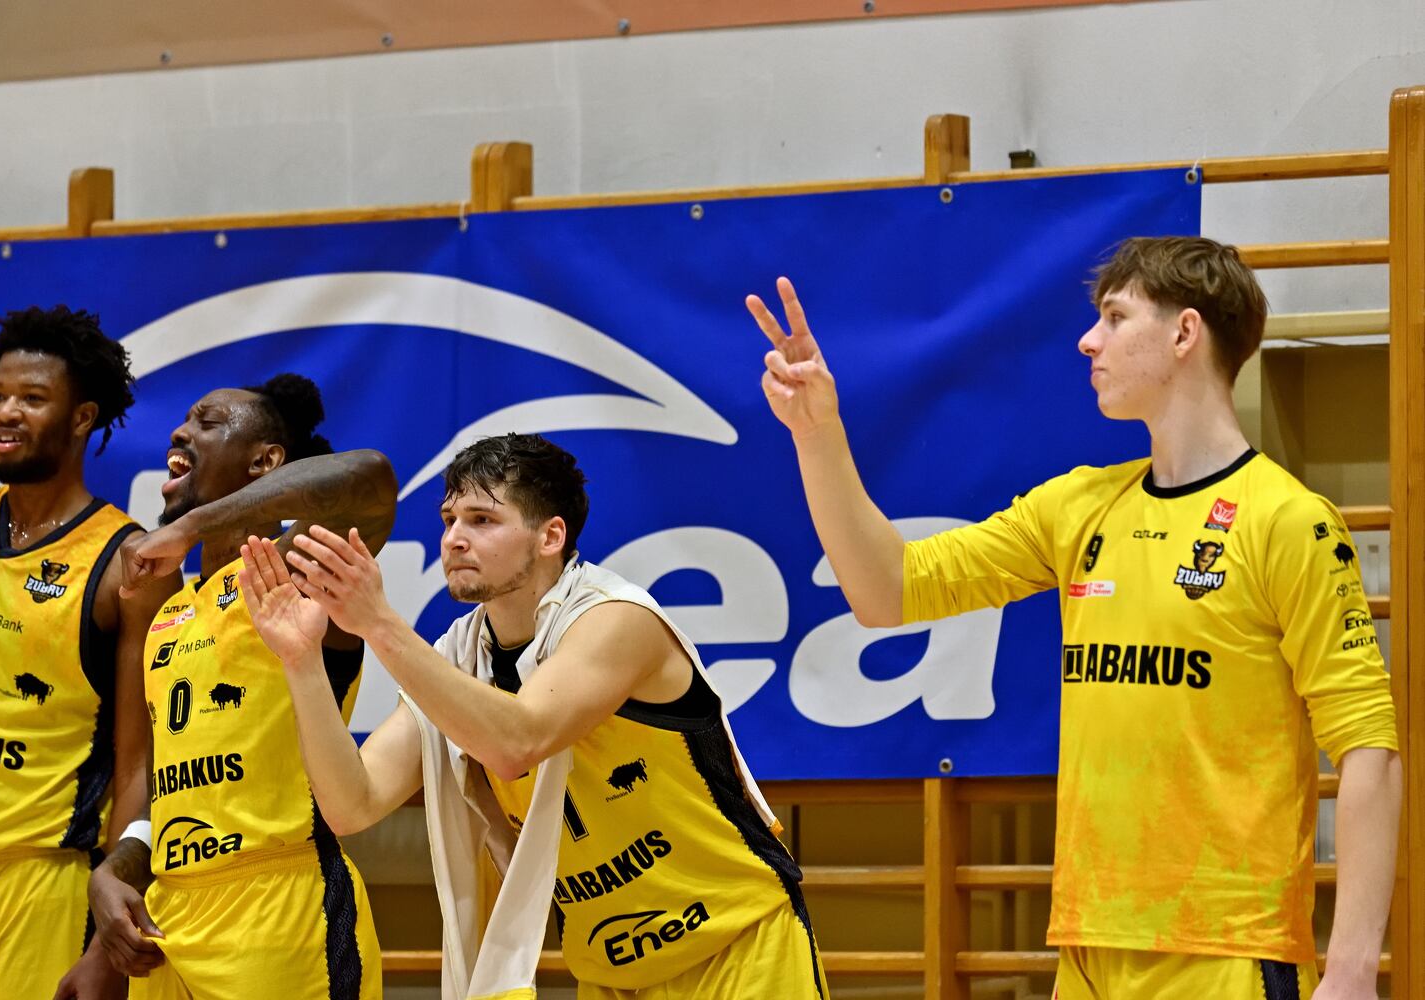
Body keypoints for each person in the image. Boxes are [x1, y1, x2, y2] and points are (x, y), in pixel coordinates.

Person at [746, 236, 1401, 999]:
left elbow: (1369, 748)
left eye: (1115, 317)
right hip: (1089, 954)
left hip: (1226, 953)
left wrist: (1352, 970)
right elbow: (887, 591)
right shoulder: (1079, 506)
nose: (1089, 340)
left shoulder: (1290, 522)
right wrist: (817, 434)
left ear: (1185, 333)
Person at [237, 432, 828, 999]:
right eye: (449, 519)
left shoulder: (617, 619)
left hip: (738, 950)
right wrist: (302, 661)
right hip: (612, 972)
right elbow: (352, 803)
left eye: (482, 520)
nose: (454, 539)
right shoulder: (459, 658)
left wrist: (379, 624)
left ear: (550, 536)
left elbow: (518, 741)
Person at [92, 373, 396, 1000]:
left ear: (264, 462)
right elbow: (169, 791)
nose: (180, 432)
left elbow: (371, 479)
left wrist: (192, 526)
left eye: (206, 422)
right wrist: (116, 868)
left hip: (280, 911)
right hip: (169, 920)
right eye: (184, 420)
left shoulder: (299, 569)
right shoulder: (171, 612)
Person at [0, 305, 178, 1000]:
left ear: (81, 418)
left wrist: (107, 933)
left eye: (33, 399)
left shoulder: (127, 562)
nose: (6, 413)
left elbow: (140, 763)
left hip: (39, 881)